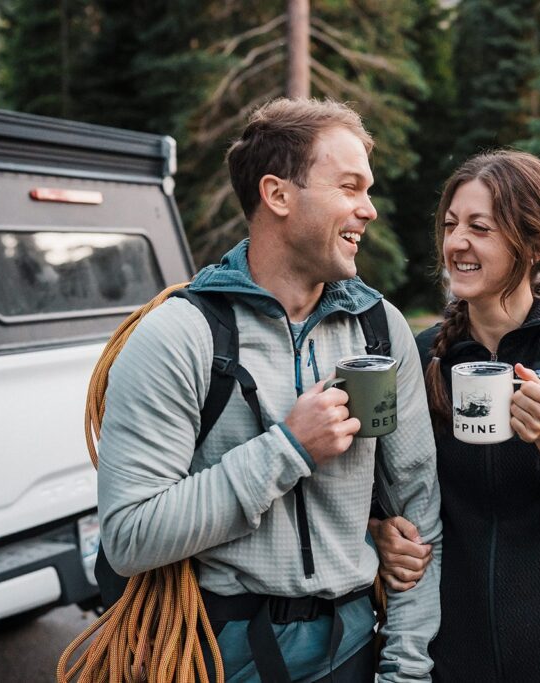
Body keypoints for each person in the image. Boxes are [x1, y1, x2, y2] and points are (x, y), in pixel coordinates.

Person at [97, 98, 442, 683]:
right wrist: (289, 449)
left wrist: (405, 673)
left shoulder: (381, 329)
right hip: (218, 654)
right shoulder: (180, 335)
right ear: (278, 195)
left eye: (368, 189)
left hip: (353, 649)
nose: (370, 210)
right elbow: (129, 536)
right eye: (350, 187)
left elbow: (419, 520)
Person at [370, 150, 540, 682]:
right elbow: (382, 491)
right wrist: (381, 532)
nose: (457, 243)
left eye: (480, 228)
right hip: (456, 664)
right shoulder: (423, 354)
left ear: (535, 244)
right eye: (451, 226)